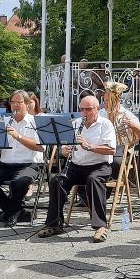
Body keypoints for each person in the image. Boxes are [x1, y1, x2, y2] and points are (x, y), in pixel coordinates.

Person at [38, 94, 116, 242]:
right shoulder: (75, 124)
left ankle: (100, 226)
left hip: (99, 166)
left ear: (98, 109)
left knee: (93, 180)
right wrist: (65, 151)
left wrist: (89, 146)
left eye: (88, 109)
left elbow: (111, 150)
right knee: (56, 181)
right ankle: (55, 224)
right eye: (82, 109)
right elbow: (66, 147)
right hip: (76, 166)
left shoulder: (105, 124)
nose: (84, 113)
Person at [0, 89, 43, 224]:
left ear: (27, 104)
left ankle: (10, 212)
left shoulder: (35, 122)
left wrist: (18, 136)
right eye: (13, 102)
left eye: (19, 102)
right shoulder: (4, 121)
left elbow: (40, 147)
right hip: (4, 165)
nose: (15, 105)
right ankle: (16, 210)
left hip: (28, 164)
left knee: (19, 182)